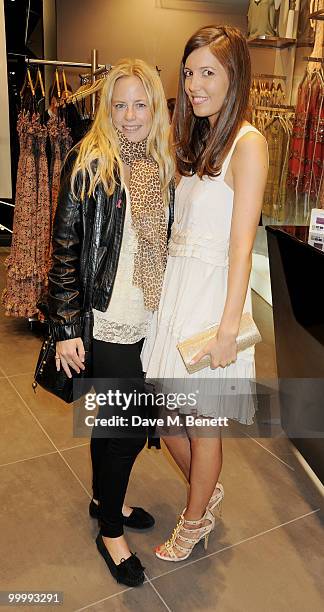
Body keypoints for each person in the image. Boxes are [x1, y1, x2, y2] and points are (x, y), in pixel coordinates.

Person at [142, 25, 268, 561]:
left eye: (208, 72)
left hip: (214, 299)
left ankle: (194, 521)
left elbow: (241, 245)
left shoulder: (249, 142)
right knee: (169, 418)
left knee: (202, 426)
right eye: (190, 72)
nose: (194, 84)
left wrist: (227, 330)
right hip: (178, 290)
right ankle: (205, 491)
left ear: (233, 75)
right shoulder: (195, 141)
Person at [47, 58, 174, 585]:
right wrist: (67, 326)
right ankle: (110, 533)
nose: (127, 116)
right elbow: (66, 247)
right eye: (118, 105)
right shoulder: (90, 159)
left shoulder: (161, 164)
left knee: (117, 422)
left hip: (151, 315)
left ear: (155, 109)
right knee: (124, 429)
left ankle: (106, 501)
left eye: (138, 105)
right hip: (108, 319)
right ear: (106, 108)